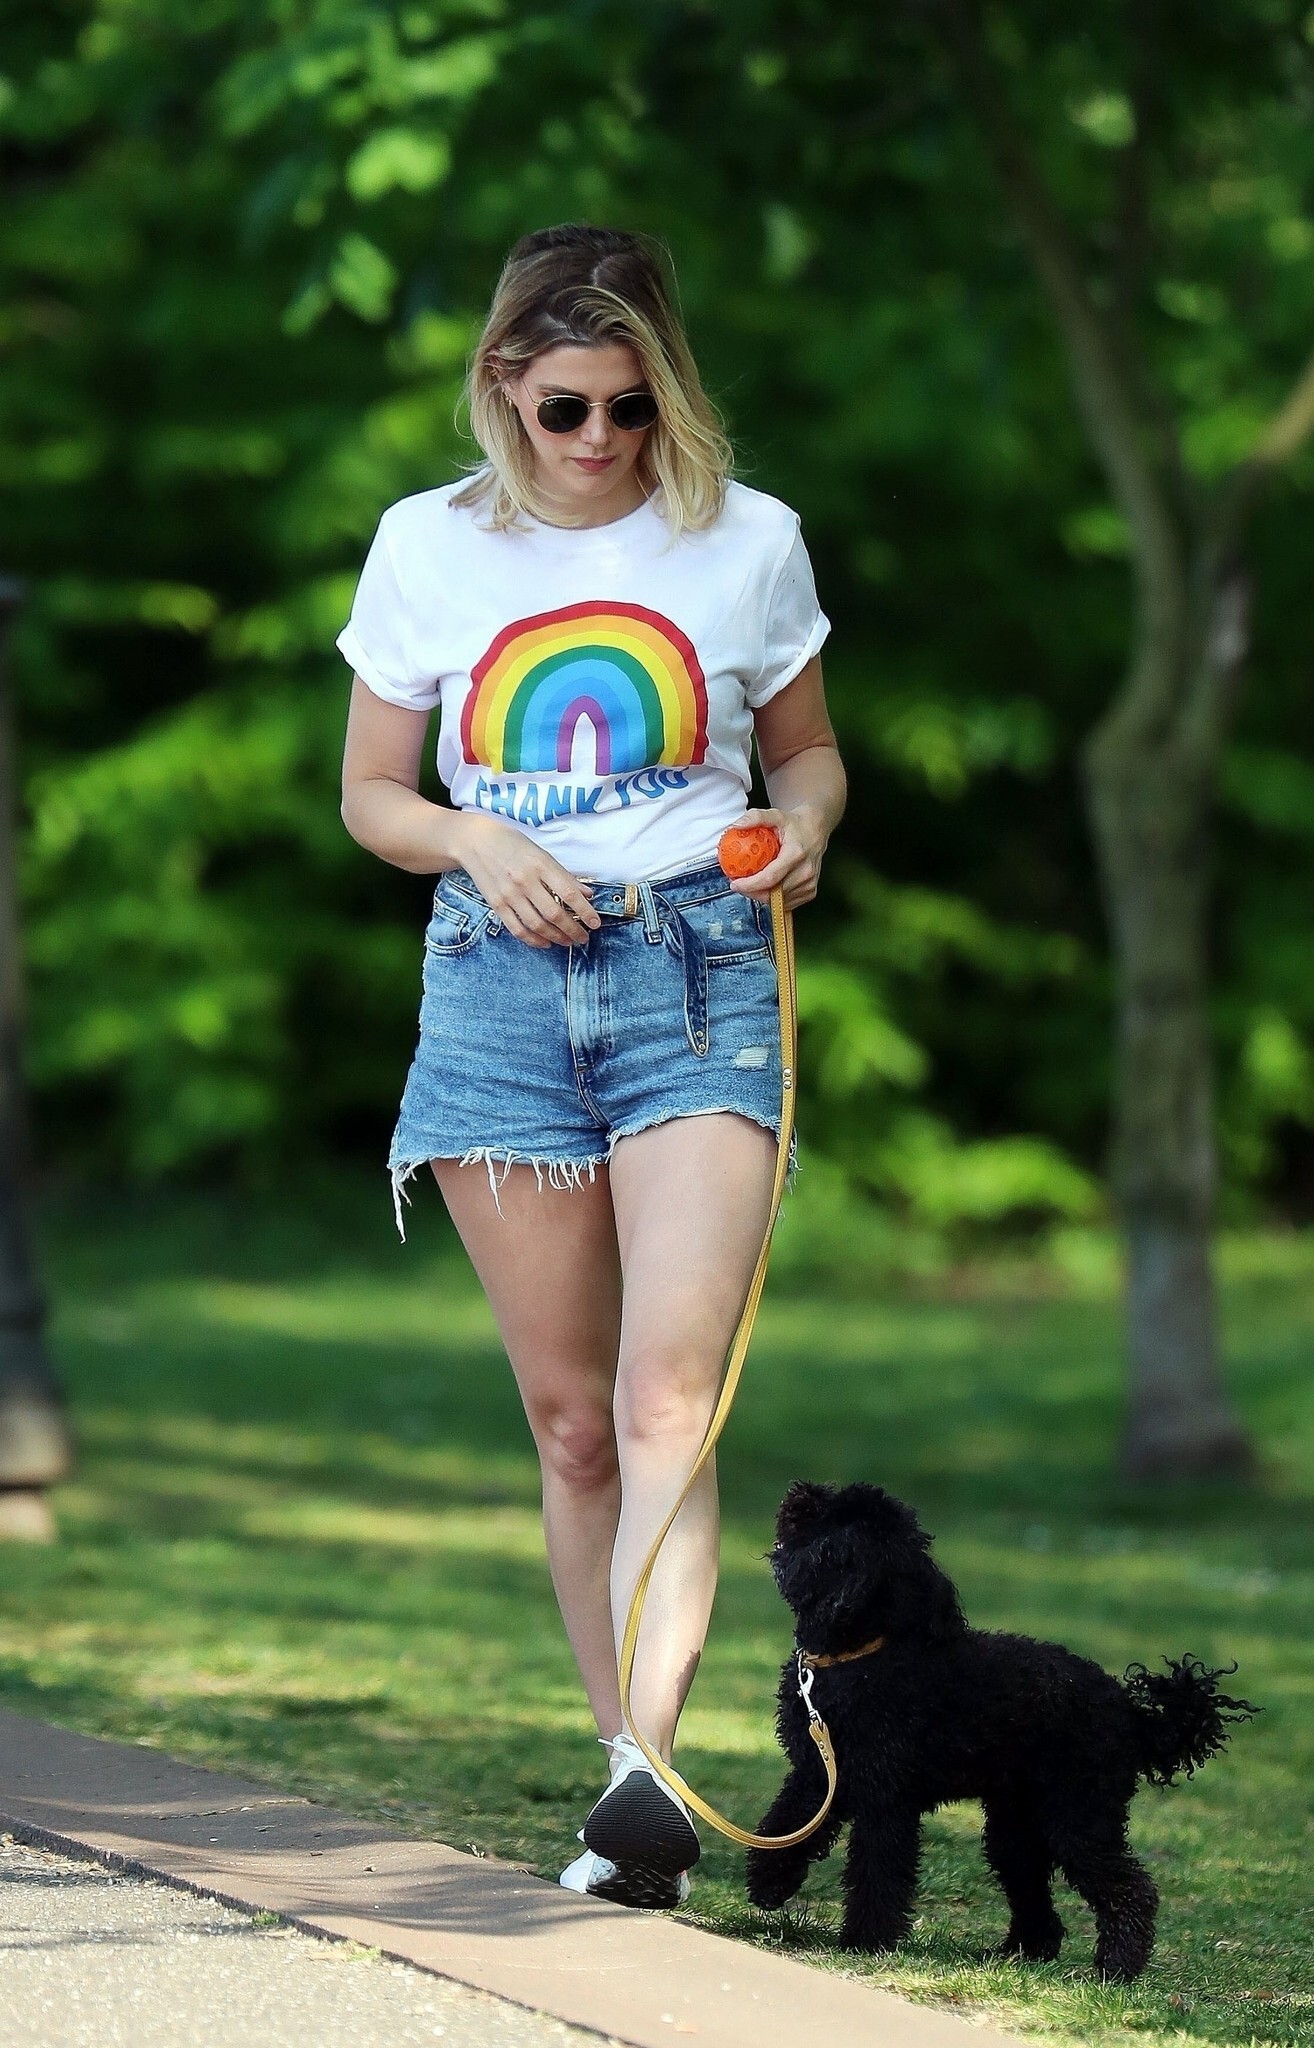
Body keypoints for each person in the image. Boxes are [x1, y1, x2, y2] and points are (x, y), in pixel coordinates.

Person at [337, 225, 846, 1909]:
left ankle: (650, 1780)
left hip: (699, 974)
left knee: (666, 1402)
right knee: (571, 1426)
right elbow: (371, 796)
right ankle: (627, 1771)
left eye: (633, 407)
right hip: (497, 991)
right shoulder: (427, 544)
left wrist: (804, 830)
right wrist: (477, 838)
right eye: (566, 408)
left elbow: (809, 756)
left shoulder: (748, 540)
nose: (601, 441)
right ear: (504, 387)